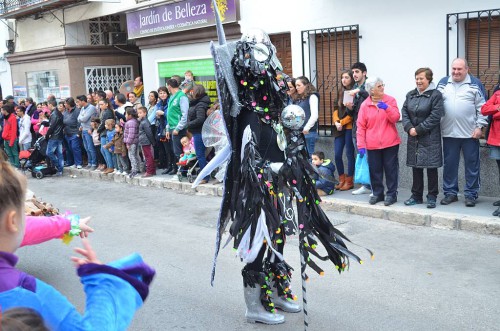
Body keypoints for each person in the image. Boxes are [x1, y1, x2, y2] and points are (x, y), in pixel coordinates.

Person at [0, 155, 155, 330]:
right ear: (12, 221)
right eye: (24, 213)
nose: (27, 217)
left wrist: (68, 224)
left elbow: (30, 227)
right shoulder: (29, 292)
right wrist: (103, 284)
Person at [437, 58, 488, 207]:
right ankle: (450, 193)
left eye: (459, 69)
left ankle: (471, 194)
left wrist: (480, 127)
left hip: (470, 134)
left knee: (472, 165)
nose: (456, 72)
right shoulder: (443, 83)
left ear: (466, 69)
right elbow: (435, 104)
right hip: (448, 133)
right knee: (449, 165)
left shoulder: (475, 83)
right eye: (454, 69)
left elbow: (483, 108)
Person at [401, 68, 445, 209]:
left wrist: (418, 130)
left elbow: (435, 116)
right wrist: (409, 128)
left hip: (430, 137)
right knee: (416, 166)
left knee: (431, 167)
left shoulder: (436, 95)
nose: (419, 81)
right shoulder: (411, 95)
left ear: (429, 79)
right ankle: (416, 195)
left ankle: (432, 196)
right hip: (414, 137)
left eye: (421, 78)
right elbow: (405, 112)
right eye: (417, 78)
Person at [357, 77, 401, 206]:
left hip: (390, 143)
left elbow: (396, 118)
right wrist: (361, 145)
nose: (382, 87)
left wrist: (387, 107)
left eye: (382, 85)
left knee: (390, 169)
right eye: (379, 86)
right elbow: (361, 126)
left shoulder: (390, 100)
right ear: (371, 90)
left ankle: (392, 194)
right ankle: (377, 193)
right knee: (375, 170)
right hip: (372, 144)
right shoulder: (365, 105)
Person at [347, 62, 371, 195]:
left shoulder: (368, 85)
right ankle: (365, 185)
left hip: (369, 128)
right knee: (361, 156)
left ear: (364, 73)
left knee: (370, 157)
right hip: (357, 127)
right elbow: (351, 113)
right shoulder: (354, 88)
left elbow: (372, 96)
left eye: (357, 72)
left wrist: (359, 91)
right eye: (353, 72)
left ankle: (373, 185)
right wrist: (349, 107)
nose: (354, 75)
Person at [334, 69, 356, 191]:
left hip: (348, 127)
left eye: (346, 77)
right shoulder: (340, 91)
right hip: (339, 128)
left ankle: (349, 180)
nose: (344, 80)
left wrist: (341, 122)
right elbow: (335, 109)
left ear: (351, 79)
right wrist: (336, 122)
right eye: (342, 77)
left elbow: (352, 113)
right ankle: (341, 178)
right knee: (337, 154)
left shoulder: (353, 92)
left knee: (349, 154)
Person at [481, 84, 500, 216]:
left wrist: (495, 114)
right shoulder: (497, 93)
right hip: (496, 138)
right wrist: (497, 107)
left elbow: (492, 114)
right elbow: (484, 109)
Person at [187, 84, 211, 183]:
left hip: (199, 132)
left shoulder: (200, 104)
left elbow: (200, 119)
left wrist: (188, 124)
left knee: (200, 155)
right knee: (201, 155)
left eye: (192, 90)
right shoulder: (199, 103)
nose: (191, 92)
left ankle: (205, 177)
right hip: (198, 131)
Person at [166, 78, 189, 174]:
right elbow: (169, 113)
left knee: (179, 151)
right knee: (175, 150)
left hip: (178, 128)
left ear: (169, 86)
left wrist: (178, 128)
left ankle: (183, 171)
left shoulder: (182, 96)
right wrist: (167, 128)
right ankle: (179, 171)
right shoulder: (172, 97)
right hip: (172, 127)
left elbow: (185, 114)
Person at [294, 76, 319, 158]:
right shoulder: (300, 98)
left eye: (299, 85)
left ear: (306, 85)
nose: (296, 87)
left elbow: (314, 115)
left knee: (310, 156)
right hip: (300, 132)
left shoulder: (312, 96)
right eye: (296, 85)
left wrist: (306, 128)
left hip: (308, 132)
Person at [155, 86, 175, 173]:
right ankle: (169, 166)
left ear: (167, 93)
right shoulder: (159, 104)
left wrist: (163, 113)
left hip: (169, 126)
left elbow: (171, 115)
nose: (162, 95)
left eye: (164, 93)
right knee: (166, 149)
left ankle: (175, 167)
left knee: (172, 149)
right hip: (162, 128)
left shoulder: (170, 102)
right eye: (160, 93)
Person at [76, 95, 98, 170]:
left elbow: (84, 119)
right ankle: (90, 162)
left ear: (83, 101)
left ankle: (94, 163)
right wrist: (81, 120)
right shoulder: (82, 108)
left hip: (89, 129)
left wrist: (81, 119)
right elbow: (78, 118)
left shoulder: (91, 108)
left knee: (91, 147)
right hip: (83, 129)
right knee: (86, 148)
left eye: (78, 101)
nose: (77, 103)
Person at [45, 100, 64, 176]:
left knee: (49, 152)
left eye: (48, 105)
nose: (47, 107)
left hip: (54, 136)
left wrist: (47, 135)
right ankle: (60, 170)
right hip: (59, 135)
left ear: (50, 104)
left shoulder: (54, 114)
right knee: (59, 153)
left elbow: (52, 127)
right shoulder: (58, 113)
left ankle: (58, 166)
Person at [62, 97, 82, 169]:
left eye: (65, 103)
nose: (64, 104)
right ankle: (73, 162)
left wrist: (78, 133)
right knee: (69, 149)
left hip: (74, 133)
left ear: (69, 104)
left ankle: (78, 163)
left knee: (75, 148)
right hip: (67, 133)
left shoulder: (77, 111)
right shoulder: (65, 112)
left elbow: (79, 123)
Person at [96, 98, 115, 172]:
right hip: (103, 132)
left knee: (105, 149)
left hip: (105, 132)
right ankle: (108, 165)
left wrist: (98, 130)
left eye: (102, 104)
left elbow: (104, 123)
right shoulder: (103, 111)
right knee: (103, 150)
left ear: (106, 104)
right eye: (99, 104)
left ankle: (111, 166)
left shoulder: (107, 112)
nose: (100, 106)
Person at [137, 106, 156, 177]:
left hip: (146, 141)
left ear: (145, 113)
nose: (139, 114)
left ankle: (150, 171)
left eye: (140, 113)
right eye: (138, 113)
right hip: (143, 141)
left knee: (148, 156)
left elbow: (149, 133)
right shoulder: (142, 121)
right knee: (148, 156)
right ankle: (152, 170)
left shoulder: (145, 122)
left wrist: (152, 142)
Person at [124, 107, 141, 178]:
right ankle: (138, 168)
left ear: (130, 115)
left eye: (126, 114)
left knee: (131, 156)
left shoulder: (130, 122)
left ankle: (134, 170)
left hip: (132, 142)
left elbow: (131, 134)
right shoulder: (134, 121)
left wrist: (128, 143)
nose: (125, 115)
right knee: (135, 155)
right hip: (135, 141)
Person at [1, 103, 20, 167]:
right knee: (9, 154)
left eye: (2, 110)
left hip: (11, 139)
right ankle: (12, 166)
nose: (1, 111)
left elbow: (14, 131)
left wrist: (12, 141)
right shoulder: (5, 117)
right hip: (5, 139)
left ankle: (16, 166)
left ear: (5, 110)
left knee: (14, 154)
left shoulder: (12, 117)